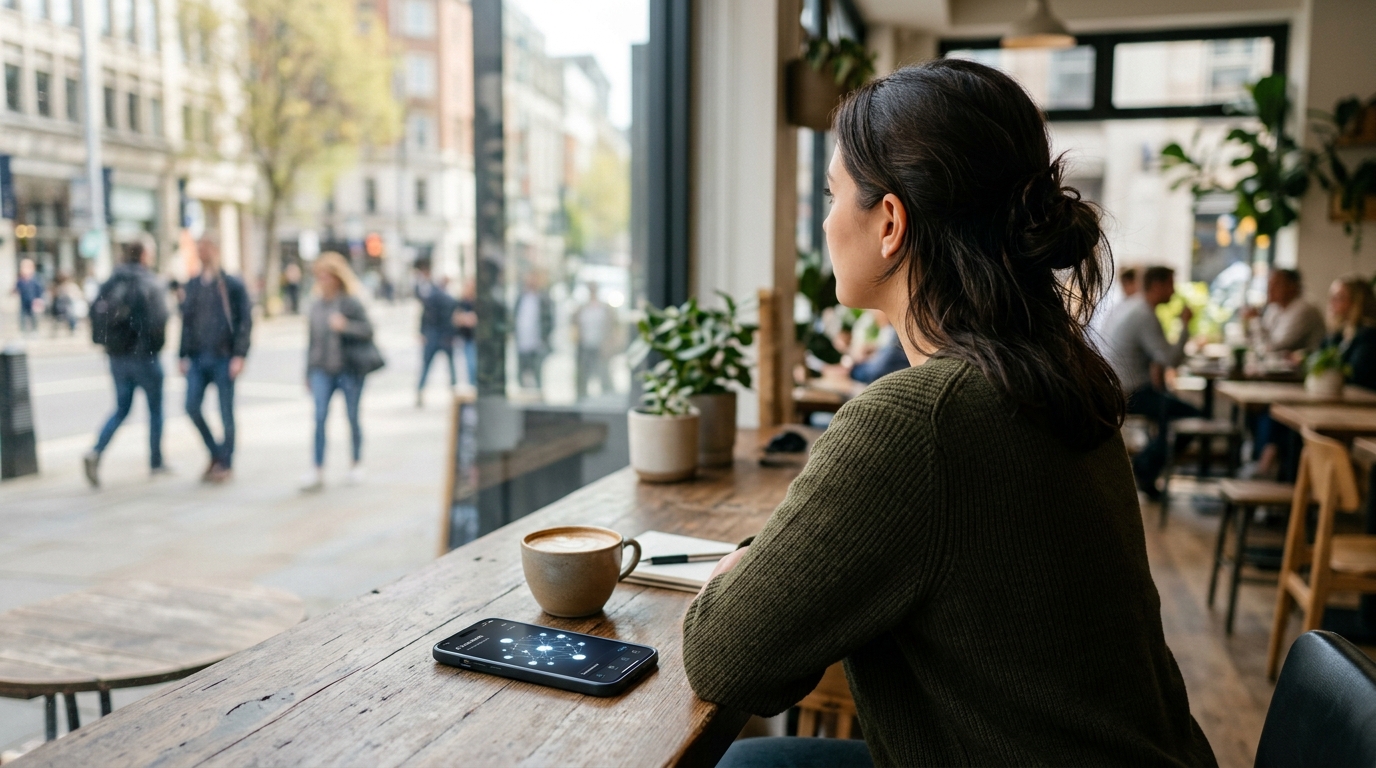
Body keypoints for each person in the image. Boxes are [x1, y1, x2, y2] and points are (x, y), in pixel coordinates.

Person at [681, 60, 1215, 768]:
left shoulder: (921, 419)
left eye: (833, 194)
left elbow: (724, 657)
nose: (825, 219)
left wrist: (738, 572)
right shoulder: (1052, 374)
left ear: (890, 223)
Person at [1102, 265, 1201, 499]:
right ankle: (1144, 468)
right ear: (1157, 286)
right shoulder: (1144, 314)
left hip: (1115, 387)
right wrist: (1185, 326)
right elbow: (1169, 359)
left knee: (1170, 411)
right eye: (1171, 285)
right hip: (1129, 392)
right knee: (1190, 416)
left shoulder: (1134, 306)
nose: (1174, 292)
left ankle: (1146, 469)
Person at [84, 241, 170, 486]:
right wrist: (152, 348)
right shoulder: (149, 282)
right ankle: (156, 461)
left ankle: (97, 451)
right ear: (144, 255)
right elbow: (159, 320)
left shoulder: (110, 281)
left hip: (117, 357)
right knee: (155, 410)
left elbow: (95, 314)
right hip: (144, 357)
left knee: (121, 408)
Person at [179, 239, 253, 483]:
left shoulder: (230, 284)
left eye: (206, 248)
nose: (202, 253)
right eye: (199, 249)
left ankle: (225, 463)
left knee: (225, 412)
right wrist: (182, 354)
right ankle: (216, 453)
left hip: (223, 356)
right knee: (191, 406)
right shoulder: (193, 285)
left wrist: (239, 355)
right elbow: (186, 322)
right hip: (199, 357)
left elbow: (244, 321)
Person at [302, 252, 375, 492]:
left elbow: (368, 330)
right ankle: (317, 468)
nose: (323, 281)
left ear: (337, 277)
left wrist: (346, 326)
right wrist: (308, 371)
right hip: (322, 369)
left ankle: (356, 463)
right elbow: (311, 341)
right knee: (320, 417)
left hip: (349, 369)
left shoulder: (350, 302)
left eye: (327, 276)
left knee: (352, 417)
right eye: (319, 276)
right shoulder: (315, 306)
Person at [1244, 268, 1326, 359]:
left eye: (1276, 284)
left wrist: (1256, 320)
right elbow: (1260, 342)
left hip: (1303, 370)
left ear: (1292, 286)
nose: (1269, 289)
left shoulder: (1304, 309)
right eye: (1269, 284)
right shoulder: (1275, 307)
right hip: (1279, 367)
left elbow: (1277, 346)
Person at [415, 260, 459, 407]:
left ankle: (423, 391)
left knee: (436, 366)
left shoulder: (435, 295)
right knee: (431, 366)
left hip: (438, 334)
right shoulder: (441, 296)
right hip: (438, 334)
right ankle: (422, 391)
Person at [574, 283, 615, 399]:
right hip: (585, 346)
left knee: (604, 375)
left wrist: (610, 343)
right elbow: (575, 326)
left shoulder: (605, 308)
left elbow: (612, 326)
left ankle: (607, 399)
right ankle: (582, 399)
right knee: (583, 375)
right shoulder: (582, 308)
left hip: (601, 347)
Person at [514, 271, 553, 390]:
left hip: (537, 343)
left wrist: (544, 338)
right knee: (522, 374)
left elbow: (550, 320)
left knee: (537, 374)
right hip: (522, 342)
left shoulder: (544, 299)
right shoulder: (521, 297)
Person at [455, 277, 478, 386]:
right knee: (470, 364)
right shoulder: (462, 302)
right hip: (467, 337)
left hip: (477, 338)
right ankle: (472, 385)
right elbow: (456, 318)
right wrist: (465, 319)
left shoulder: (478, 302)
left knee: (475, 364)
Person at [14, 258, 44, 334]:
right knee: (22, 316)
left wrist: (39, 299)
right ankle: (23, 331)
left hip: (34, 300)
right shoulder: (21, 279)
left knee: (34, 316)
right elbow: (17, 288)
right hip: (24, 301)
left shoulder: (36, 278)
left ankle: (34, 330)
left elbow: (40, 289)